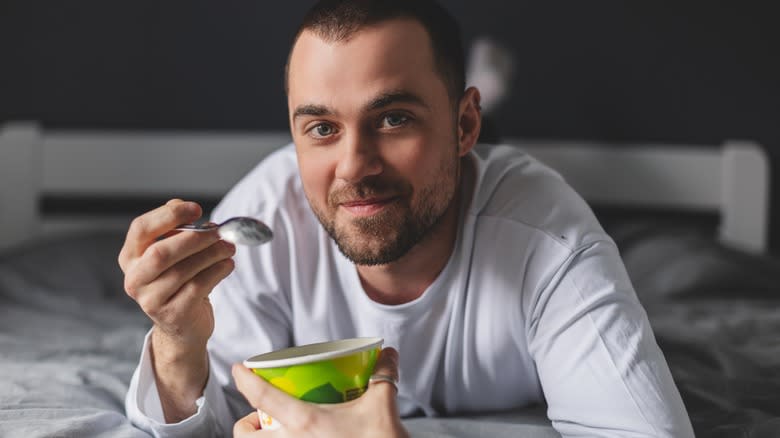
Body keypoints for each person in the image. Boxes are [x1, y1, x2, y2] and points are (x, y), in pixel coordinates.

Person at [120, 0, 695, 436]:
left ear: (462, 124)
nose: (353, 168)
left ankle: (485, 98)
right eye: (322, 128)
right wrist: (176, 342)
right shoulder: (265, 216)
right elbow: (200, 417)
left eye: (393, 119)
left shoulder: (550, 238)